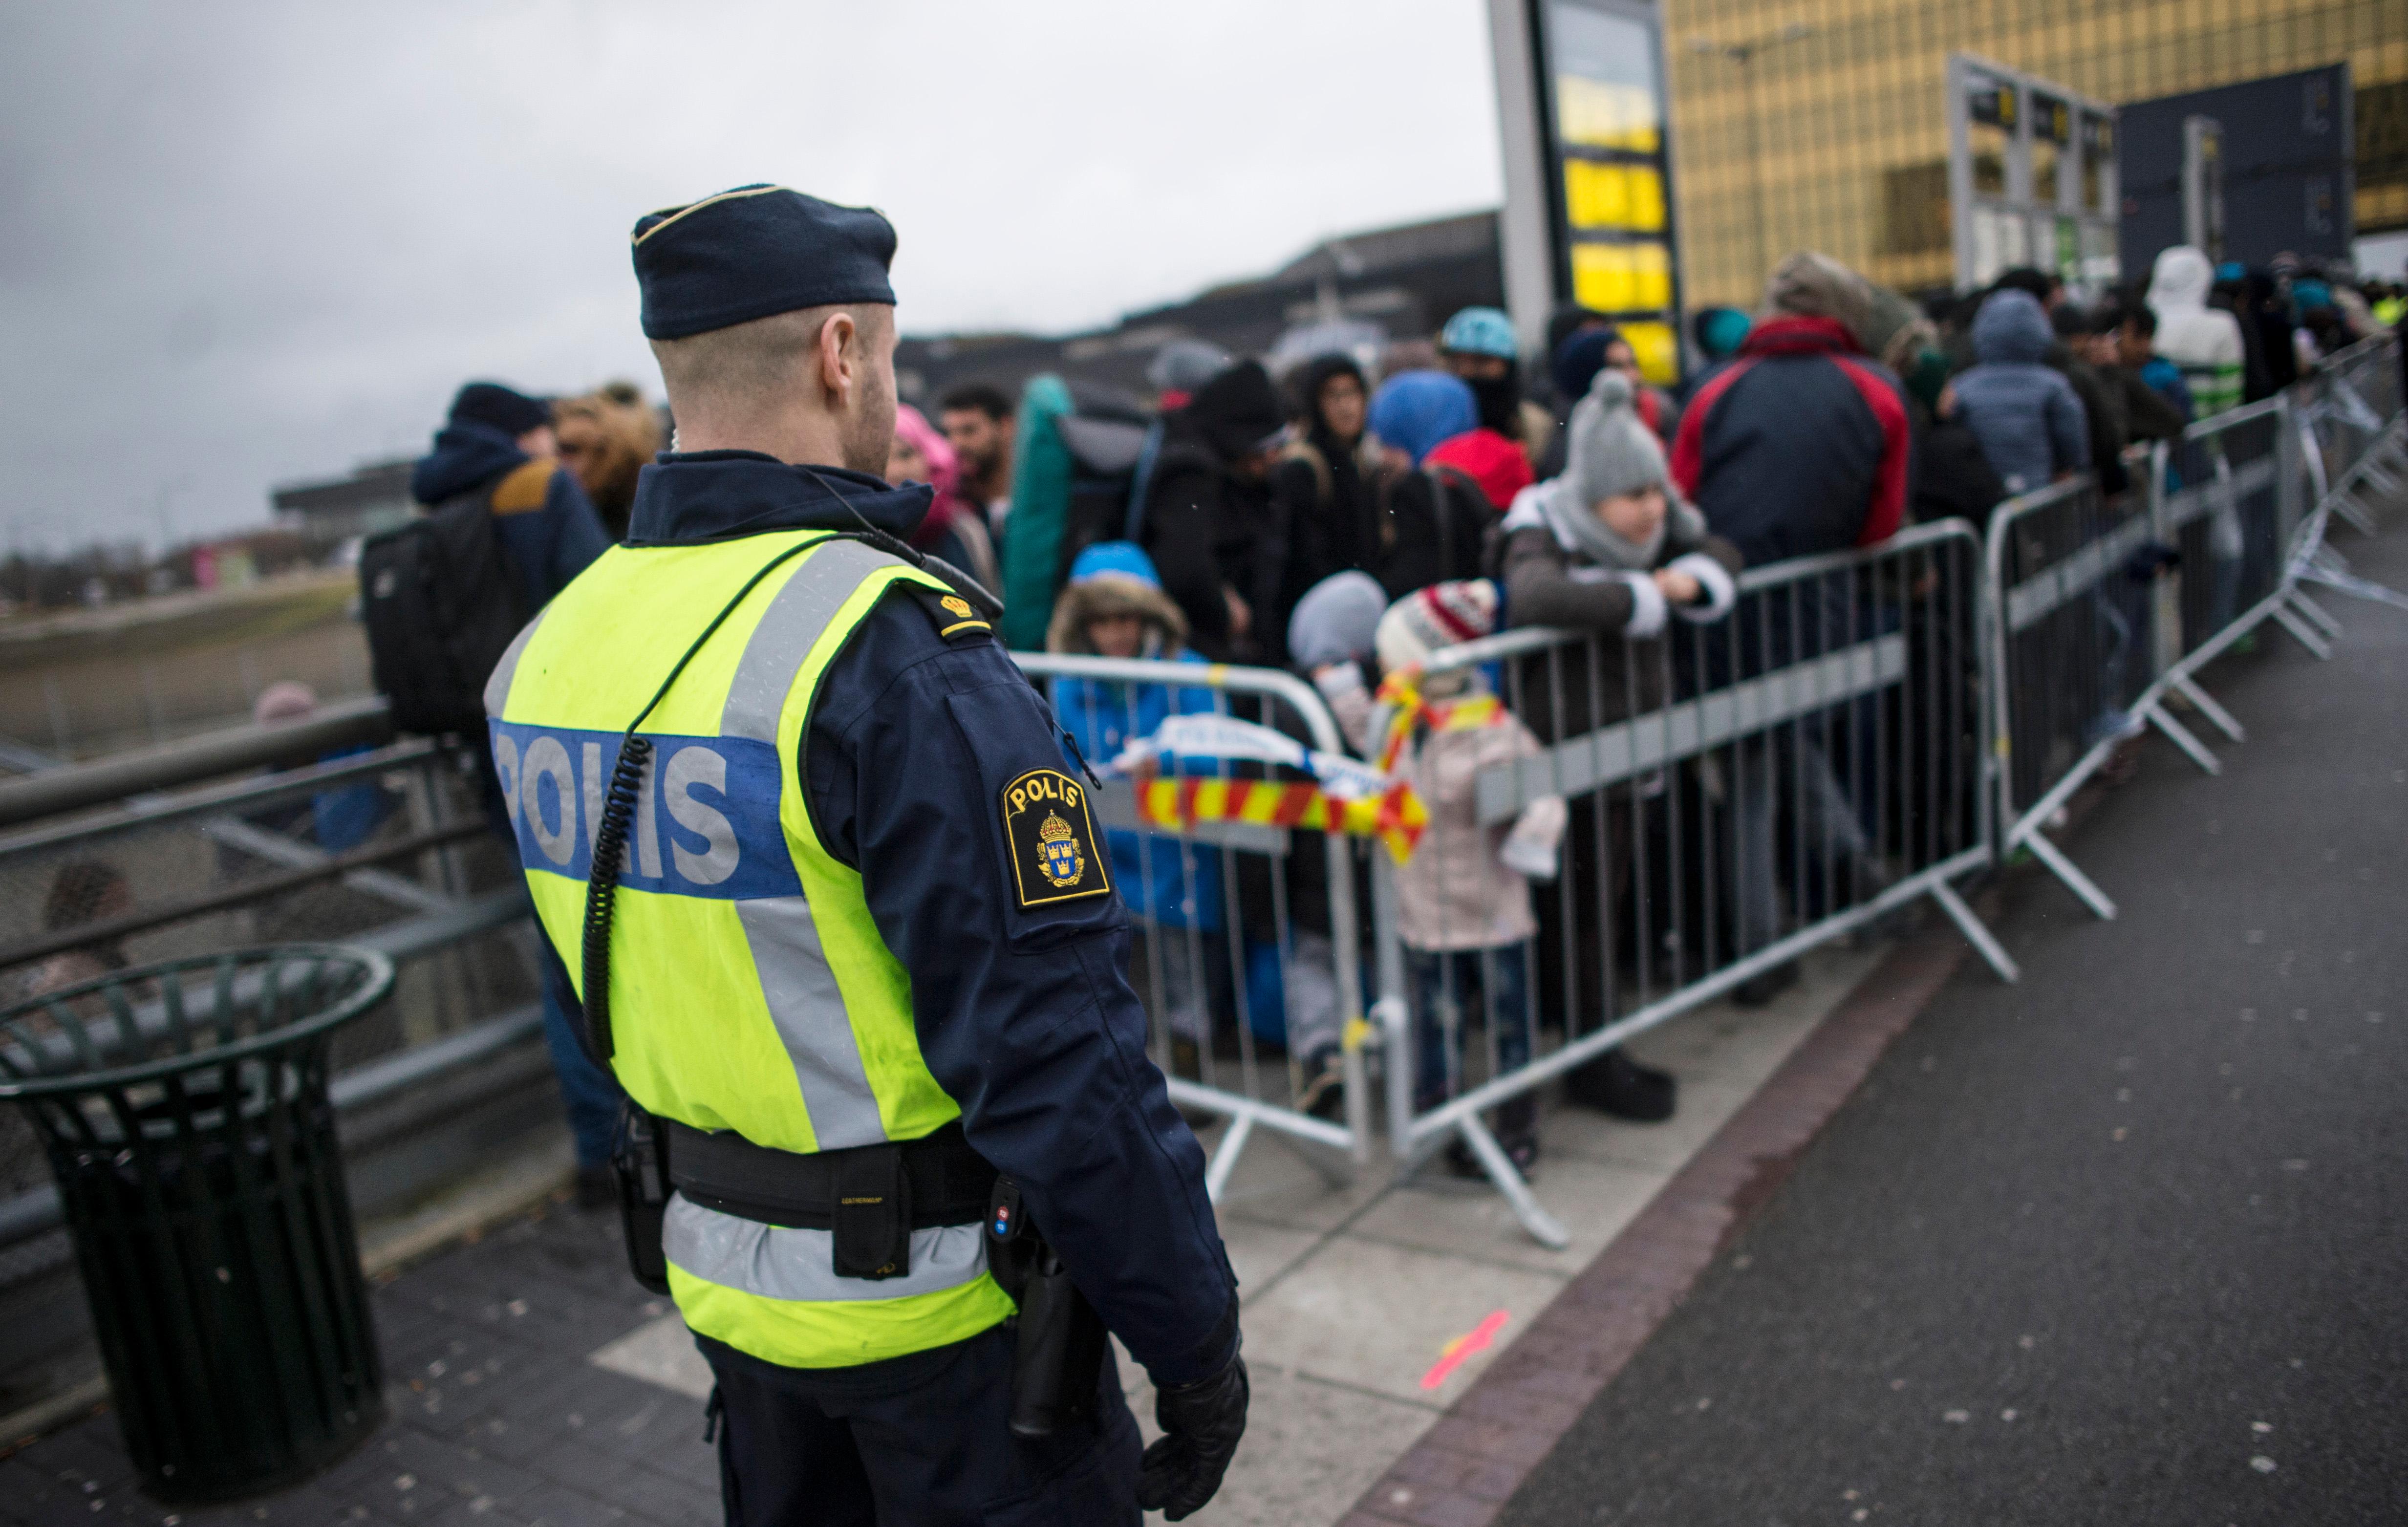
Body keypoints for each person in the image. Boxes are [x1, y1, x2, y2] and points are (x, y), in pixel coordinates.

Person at [484, 185, 1245, 1525]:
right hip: (946, 1338)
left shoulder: (548, 654)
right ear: (843, 350)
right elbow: (1063, 1064)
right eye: (886, 357)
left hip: (729, 1294)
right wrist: (1195, 1347)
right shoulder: (892, 650)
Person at [1498, 367, 1738, 1102]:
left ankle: (1592, 1043)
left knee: (1604, 907)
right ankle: (1589, 1059)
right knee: (1580, 917)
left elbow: (1722, 550)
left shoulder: (1655, 521)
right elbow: (1535, 595)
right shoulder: (1543, 525)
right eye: (1634, 497)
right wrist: (1638, 597)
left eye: (1655, 493)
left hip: (1626, 750)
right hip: (1569, 756)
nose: (1651, 511)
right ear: (1593, 496)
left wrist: (1692, 578)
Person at [410, 378, 621, 1198]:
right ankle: (650, 1138)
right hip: (577, 749)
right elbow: (608, 607)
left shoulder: (437, 507)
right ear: (521, 435)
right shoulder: (540, 490)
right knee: (619, 937)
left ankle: (596, 1150)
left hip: (490, 759)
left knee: (558, 952)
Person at [1320, 581, 1566, 1175]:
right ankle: (1437, 1107)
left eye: (1392, 655)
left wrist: (1533, 837)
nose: (1382, 665)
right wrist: (1338, 688)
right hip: (1423, 906)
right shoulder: (1400, 718)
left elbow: (1542, 793)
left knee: (1508, 1019)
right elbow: (1366, 740)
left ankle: (1514, 1123)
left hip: (1490, 906)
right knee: (1436, 1016)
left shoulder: (1493, 728)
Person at [1044, 542, 1227, 1063]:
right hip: (1105, 858)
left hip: (1176, 856)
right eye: (1103, 620)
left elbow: (1221, 758)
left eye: (1127, 617)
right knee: (1123, 975)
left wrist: (1165, 764)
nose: (1118, 632)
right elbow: (1059, 758)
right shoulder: (1067, 683)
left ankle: (1192, 1064)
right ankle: (1137, 1069)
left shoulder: (1189, 673)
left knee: (1182, 967)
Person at [1671, 251, 1912, 564]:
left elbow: (1680, 497)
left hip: (1727, 587)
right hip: (1831, 589)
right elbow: (1883, 520)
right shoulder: (1878, 389)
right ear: (1847, 309)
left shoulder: (1712, 389)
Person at [1136, 359, 1289, 663]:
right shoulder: (1190, 473)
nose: (1275, 456)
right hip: (1205, 654)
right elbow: (1186, 565)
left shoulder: (1205, 457)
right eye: (1268, 444)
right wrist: (1223, 608)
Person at [1363, 371, 1505, 595]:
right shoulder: (1506, 463)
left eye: (1389, 442)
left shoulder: (1420, 494)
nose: (1383, 456)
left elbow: (1410, 581)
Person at [1271, 354, 1378, 639]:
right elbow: (1304, 561)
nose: (1345, 407)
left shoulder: (1361, 461)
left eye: (1352, 393)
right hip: (1322, 626)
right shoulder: (1304, 467)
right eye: (1332, 396)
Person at [1951, 288, 2091, 497]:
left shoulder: (1962, 386)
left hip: (1983, 495)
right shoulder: (2053, 384)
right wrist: (2069, 466)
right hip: (2040, 494)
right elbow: (2071, 436)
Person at [888, 402, 999, 593]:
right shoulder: (860, 532)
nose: (895, 470)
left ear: (928, 457)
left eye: (905, 455)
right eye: (885, 459)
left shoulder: (965, 528)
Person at [555, 381, 663, 540]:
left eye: (571, 450)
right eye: (560, 449)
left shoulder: (640, 522)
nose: (559, 461)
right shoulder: (560, 509)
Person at [2148, 245, 2246, 418]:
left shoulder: (2144, 325)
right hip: (2205, 434)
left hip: (2157, 436)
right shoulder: (2222, 326)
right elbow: (2229, 400)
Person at [2086, 304, 2191, 444]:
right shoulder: (2096, 373)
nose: (2145, 346)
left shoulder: (2163, 376)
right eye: (2138, 337)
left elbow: (2175, 423)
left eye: (2149, 338)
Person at [937, 381, 1017, 536]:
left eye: (969, 431)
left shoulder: (1044, 497)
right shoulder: (950, 510)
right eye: (949, 433)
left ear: (1006, 426)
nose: (955, 444)